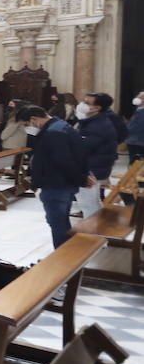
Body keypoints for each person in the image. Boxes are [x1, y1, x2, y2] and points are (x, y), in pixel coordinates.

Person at [18, 104, 87, 248]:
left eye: (26, 124)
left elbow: (64, 161)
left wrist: (82, 179)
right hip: (61, 183)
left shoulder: (53, 132)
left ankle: (63, 259)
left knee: (58, 224)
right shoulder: (59, 126)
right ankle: (66, 255)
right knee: (61, 222)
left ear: (34, 119)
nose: (27, 128)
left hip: (56, 185)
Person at [76, 92, 120, 219]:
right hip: (94, 166)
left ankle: (92, 234)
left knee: (88, 204)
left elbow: (83, 147)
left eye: (87, 103)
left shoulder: (98, 125)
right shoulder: (93, 121)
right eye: (83, 101)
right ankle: (98, 228)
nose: (82, 104)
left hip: (92, 169)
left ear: (97, 108)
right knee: (93, 202)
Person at [127, 92, 144, 165]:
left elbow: (139, 126)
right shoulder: (139, 110)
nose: (137, 99)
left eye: (140, 97)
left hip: (138, 141)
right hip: (134, 140)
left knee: (135, 164)